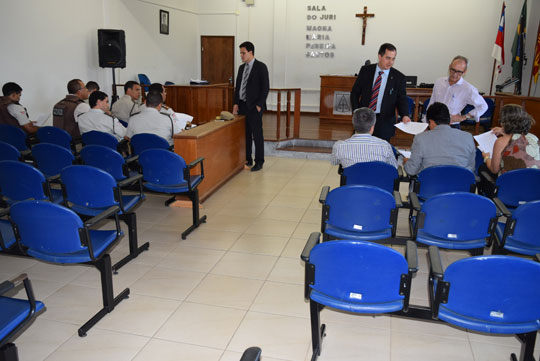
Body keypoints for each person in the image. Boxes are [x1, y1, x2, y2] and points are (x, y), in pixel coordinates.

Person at [350, 43, 410, 142]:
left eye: (393, 59)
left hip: (385, 122)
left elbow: (401, 99)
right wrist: (356, 111)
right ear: (379, 56)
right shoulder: (366, 71)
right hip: (364, 119)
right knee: (361, 149)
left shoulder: (399, 77)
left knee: (381, 153)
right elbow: (355, 92)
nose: (390, 62)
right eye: (387, 58)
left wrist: (405, 115)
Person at [404, 102, 475, 176]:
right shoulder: (468, 137)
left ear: (431, 122)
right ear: (449, 120)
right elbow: (471, 169)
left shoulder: (420, 138)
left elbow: (411, 171)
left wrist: (406, 162)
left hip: (430, 185)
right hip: (461, 185)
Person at [233, 41, 270, 172]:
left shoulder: (261, 67)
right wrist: (236, 103)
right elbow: (238, 87)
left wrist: (259, 105)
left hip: (254, 107)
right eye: (240, 53)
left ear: (251, 52)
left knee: (257, 134)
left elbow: (265, 88)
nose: (241, 56)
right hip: (242, 106)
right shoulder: (241, 68)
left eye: (243, 53)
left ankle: (259, 161)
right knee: (246, 134)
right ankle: (248, 159)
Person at [426, 55, 487, 126]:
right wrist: (426, 122)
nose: (454, 74)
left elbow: (483, 106)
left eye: (459, 72)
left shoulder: (468, 88)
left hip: (452, 125)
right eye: (453, 70)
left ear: (464, 72)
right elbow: (431, 103)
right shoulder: (439, 82)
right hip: (434, 124)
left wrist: (465, 116)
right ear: (449, 67)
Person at [481, 104, 540, 176]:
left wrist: (486, 157)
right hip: (534, 182)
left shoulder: (501, 141)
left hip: (511, 183)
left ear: (504, 122)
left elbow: (494, 170)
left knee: (482, 168)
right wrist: (503, 130)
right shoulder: (534, 138)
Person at [331, 107, 397, 169]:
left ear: (353, 124)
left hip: (353, 180)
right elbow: (394, 168)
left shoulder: (339, 146)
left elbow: (334, 162)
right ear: (372, 127)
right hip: (377, 180)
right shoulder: (385, 145)